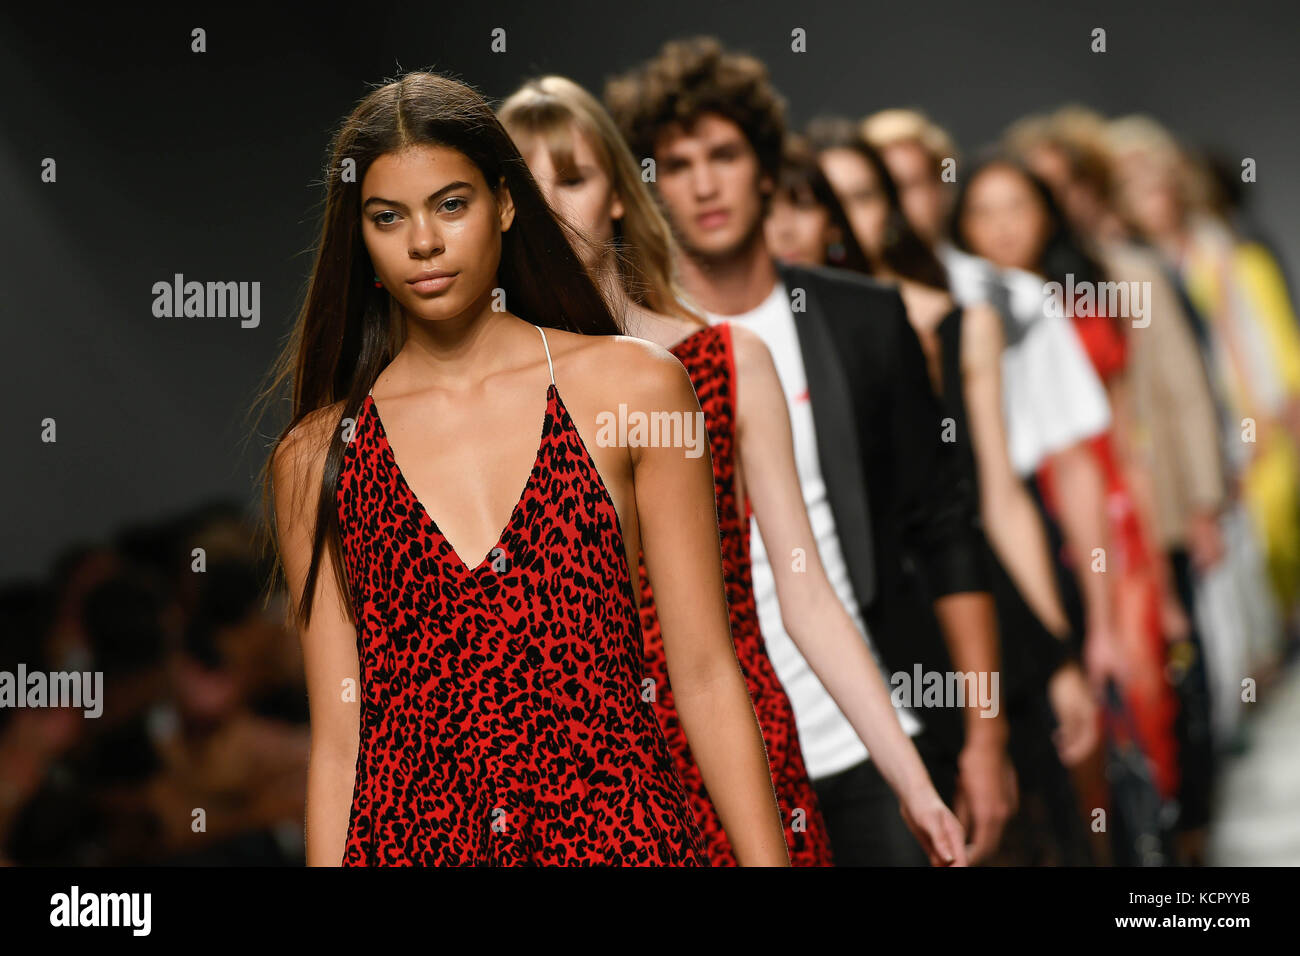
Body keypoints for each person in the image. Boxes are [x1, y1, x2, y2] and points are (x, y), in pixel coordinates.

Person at [258, 70, 791, 866]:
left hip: (619, 839)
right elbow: (342, 741)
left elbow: (707, 672)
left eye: (451, 204)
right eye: (387, 217)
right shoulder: (318, 457)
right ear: (359, 237)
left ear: (505, 204)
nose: (424, 242)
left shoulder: (633, 386)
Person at [500, 75, 966, 866]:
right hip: (590, 782)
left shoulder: (726, 361)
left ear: (618, 191)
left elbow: (807, 588)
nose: (551, 209)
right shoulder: (496, 398)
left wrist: (913, 782)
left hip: (741, 741)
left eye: (573, 179)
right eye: (523, 189)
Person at [606, 37, 1015, 866]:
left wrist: (986, 733)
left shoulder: (863, 320)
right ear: (646, 188)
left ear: (766, 167)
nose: (706, 183)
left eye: (724, 154)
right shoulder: (629, 357)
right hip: (713, 750)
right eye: (676, 165)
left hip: (874, 723)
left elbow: (944, 529)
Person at [786, 125, 1094, 864]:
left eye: (858, 196)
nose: (832, 217)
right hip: (850, 640)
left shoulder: (944, 321)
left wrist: (1061, 658)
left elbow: (992, 499)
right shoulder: (755, 337)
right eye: (815, 196)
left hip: (965, 615)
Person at [953, 157, 1184, 860]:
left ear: (1047, 214)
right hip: (1019, 517)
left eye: (1017, 207)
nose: (1001, 226)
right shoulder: (955, 303)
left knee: (1119, 698)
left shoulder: (1065, 295)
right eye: (984, 211)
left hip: (1083, 506)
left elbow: (1119, 429)